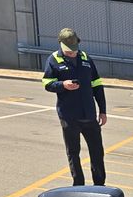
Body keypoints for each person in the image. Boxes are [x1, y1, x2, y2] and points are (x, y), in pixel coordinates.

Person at [40, 28, 107, 186]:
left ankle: (99, 185)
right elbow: (47, 83)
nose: (72, 53)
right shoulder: (53, 60)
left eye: (74, 50)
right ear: (60, 44)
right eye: (69, 51)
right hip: (69, 116)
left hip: (89, 114)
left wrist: (103, 110)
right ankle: (78, 185)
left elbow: (97, 85)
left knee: (97, 151)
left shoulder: (86, 58)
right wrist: (63, 85)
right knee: (73, 152)